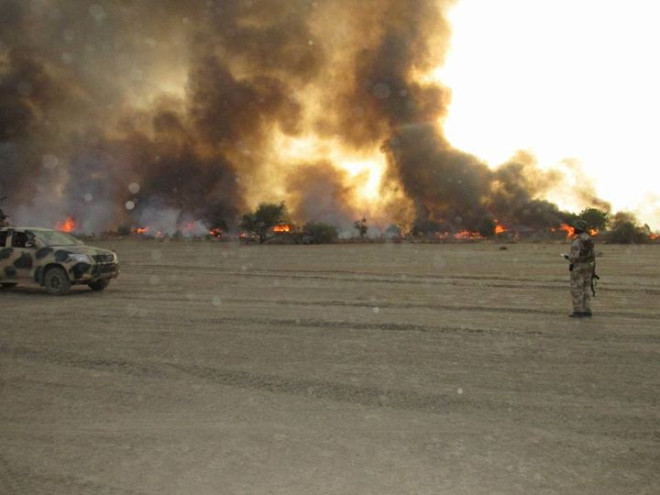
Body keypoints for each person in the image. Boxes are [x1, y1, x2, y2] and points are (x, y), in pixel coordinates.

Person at [567, 219, 596, 317]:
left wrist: (569, 258)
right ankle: (587, 310)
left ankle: (578, 311)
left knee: (577, 288)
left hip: (579, 266)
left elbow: (574, 257)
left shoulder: (577, 241)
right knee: (586, 288)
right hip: (589, 266)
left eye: (575, 227)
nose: (573, 229)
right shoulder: (589, 239)